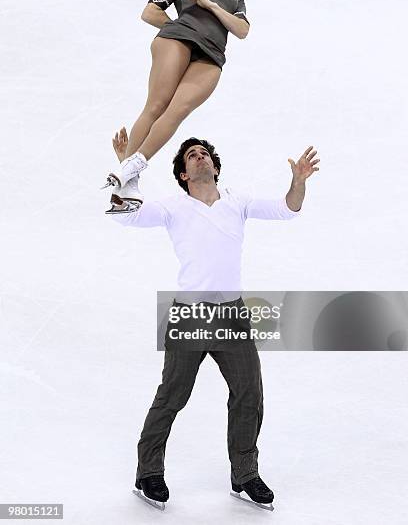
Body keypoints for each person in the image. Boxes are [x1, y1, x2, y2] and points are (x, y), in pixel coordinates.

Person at [109, 133, 320, 510]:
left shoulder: (237, 202)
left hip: (232, 315)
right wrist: (129, 169)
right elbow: (127, 213)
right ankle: (148, 473)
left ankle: (244, 475)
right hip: (190, 313)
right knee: (172, 396)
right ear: (184, 175)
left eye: (204, 153)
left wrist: (297, 182)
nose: (199, 157)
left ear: (215, 168)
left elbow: (288, 209)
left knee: (249, 394)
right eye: (191, 156)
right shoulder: (174, 207)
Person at [102, 0, 250, 210]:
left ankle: (127, 169)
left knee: (176, 111)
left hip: (211, 57)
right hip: (177, 42)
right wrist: (182, 29)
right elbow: (150, 11)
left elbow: (242, 30)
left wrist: (209, 5)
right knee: (157, 106)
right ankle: (129, 181)